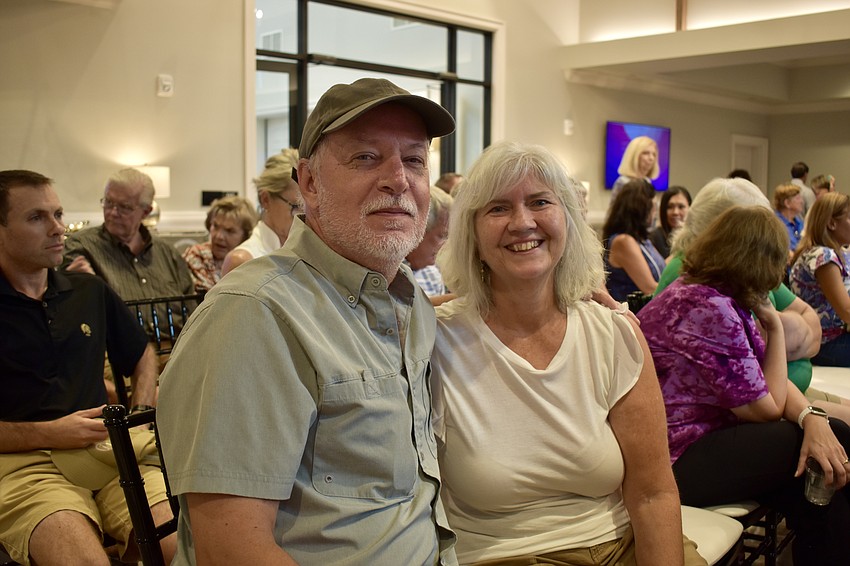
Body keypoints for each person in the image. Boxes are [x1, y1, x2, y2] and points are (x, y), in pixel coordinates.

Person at [156, 78, 458, 565]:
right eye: (365, 157)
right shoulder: (254, 313)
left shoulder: (409, 304)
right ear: (310, 183)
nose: (398, 179)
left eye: (415, 159)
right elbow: (233, 551)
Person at [431, 142, 704, 565]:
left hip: (624, 547)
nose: (523, 222)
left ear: (568, 221)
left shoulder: (613, 335)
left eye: (540, 202)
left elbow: (653, 494)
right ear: (472, 234)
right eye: (498, 208)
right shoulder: (436, 340)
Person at [639, 205, 850, 565]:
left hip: (691, 444)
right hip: (672, 457)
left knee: (816, 483)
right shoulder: (709, 308)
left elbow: (766, 383)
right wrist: (776, 326)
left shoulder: (704, 293)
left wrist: (811, 418)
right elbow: (766, 408)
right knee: (836, 442)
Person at [0, 170, 175, 565]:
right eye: (37, 218)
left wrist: (142, 414)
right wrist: (50, 432)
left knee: (181, 552)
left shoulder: (87, 291)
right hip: (26, 467)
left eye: (58, 214)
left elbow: (142, 353)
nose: (59, 229)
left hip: (107, 452)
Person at [655, 177, 824, 397]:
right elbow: (753, 357)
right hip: (753, 409)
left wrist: (778, 332)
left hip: (782, 399)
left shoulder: (746, 265)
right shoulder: (693, 273)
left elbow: (814, 326)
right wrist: (788, 334)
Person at [62, 167, 194, 300]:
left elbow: (191, 309)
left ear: (146, 212)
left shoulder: (168, 254)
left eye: (124, 207)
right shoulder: (81, 246)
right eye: (108, 202)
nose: (113, 213)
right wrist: (89, 286)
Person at [790, 192, 850, 367]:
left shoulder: (837, 253)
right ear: (832, 223)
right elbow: (846, 311)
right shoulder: (823, 256)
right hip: (827, 344)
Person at [220, 148, 302, 276]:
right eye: (296, 206)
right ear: (265, 200)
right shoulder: (242, 260)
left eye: (307, 207)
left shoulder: (305, 252)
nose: (302, 216)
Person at [603, 179, 666, 301]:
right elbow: (650, 289)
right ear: (641, 210)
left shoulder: (641, 239)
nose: (655, 214)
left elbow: (660, 269)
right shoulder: (624, 242)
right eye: (653, 208)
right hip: (633, 315)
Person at [181, 195, 258, 292]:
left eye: (229, 231)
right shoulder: (197, 255)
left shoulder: (251, 260)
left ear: (245, 236)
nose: (219, 236)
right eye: (215, 226)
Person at [406, 186, 452, 297]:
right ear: (418, 230)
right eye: (442, 236)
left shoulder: (431, 272)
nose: (445, 245)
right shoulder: (386, 275)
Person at [649, 185, 691, 259]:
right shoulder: (655, 237)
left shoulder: (695, 237)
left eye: (681, 207)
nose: (675, 212)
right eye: (670, 207)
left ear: (690, 208)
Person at [773, 183, 805, 263]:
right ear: (787, 203)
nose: (802, 201)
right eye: (798, 198)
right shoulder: (774, 223)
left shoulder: (799, 222)